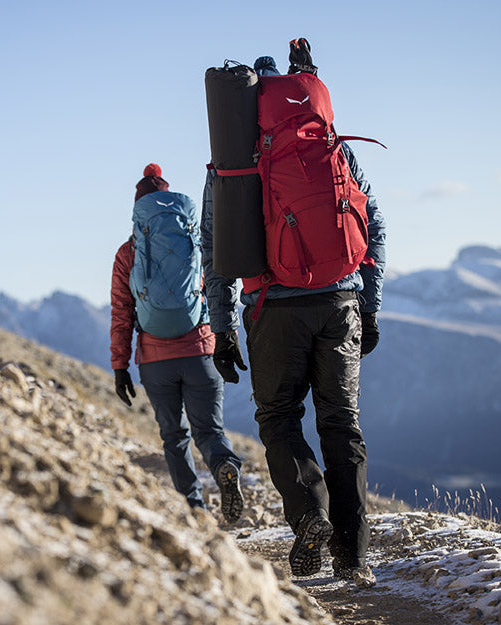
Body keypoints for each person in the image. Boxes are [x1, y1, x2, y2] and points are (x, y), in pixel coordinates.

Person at [202, 47, 385, 588]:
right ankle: (354, 557)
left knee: (279, 418)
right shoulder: (326, 141)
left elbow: (214, 248)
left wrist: (222, 327)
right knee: (341, 424)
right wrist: (369, 305)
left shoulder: (232, 157)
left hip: (271, 307)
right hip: (340, 302)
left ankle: (308, 514)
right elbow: (369, 219)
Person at [111, 163, 244, 523]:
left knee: (174, 436)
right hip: (201, 350)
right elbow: (216, 287)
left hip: (155, 360)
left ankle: (194, 508)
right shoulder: (193, 241)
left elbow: (122, 312)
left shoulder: (129, 252)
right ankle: (224, 467)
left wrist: (120, 366)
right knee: (210, 431)